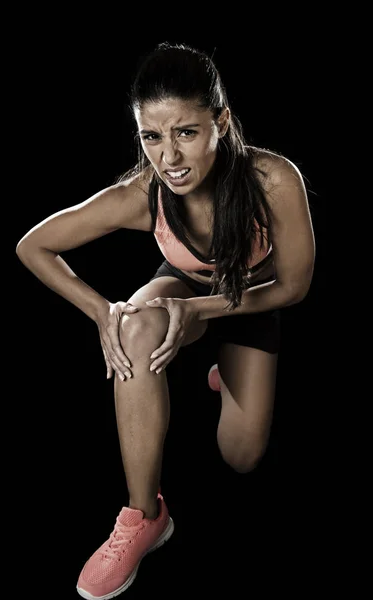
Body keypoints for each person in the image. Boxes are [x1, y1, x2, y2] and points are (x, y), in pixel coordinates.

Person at [16, 41, 315, 599]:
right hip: (182, 291)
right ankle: (142, 515)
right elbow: (34, 246)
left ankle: (224, 373)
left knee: (242, 457)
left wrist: (197, 310)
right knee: (134, 324)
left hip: (253, 302)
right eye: (152, 137)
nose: (170, 158)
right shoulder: (142, 193)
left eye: (186, 133)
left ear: (220, 123)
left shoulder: (272, 179)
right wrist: (102, 311)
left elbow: (294, 286)